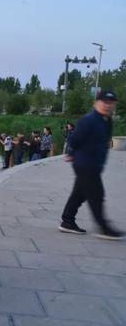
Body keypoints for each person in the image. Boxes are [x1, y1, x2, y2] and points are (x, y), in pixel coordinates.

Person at [59, 91, 124, 240]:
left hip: (95, 164)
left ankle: (67, 221)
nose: (108, 105)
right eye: (104, 102)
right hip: (85, 164)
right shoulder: (89, 120)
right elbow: (74, 139)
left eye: (111, 103)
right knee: (97, 195)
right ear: (97, 103)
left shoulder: (107, 121)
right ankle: (104, 228)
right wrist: (71, 152)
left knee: (79, 193)